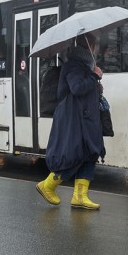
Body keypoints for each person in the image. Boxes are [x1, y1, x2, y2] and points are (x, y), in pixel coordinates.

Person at [37, 32, 105, 210]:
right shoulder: (74, 65)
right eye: (95, 45)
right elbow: (77, 88)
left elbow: (85, 89)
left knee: (90, 153)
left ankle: (80, 196)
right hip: (74, 120)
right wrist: (94, 77)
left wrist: (96, 86)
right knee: (74, 155)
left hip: (86, 119)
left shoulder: (85, 65)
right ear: (90, 46)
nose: (97, 49)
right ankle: (48, 185)